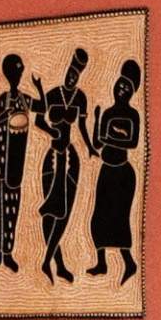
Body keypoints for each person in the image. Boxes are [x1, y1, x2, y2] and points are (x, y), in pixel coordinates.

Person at [36, 46, 91, 282]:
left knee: (65, 211)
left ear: (79, 77)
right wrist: (52, 132)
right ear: (66, 70)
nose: (71, 78)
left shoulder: (80, 98)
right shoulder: (52, 94)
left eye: (75, 76)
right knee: (50, 210)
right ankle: (55, 263)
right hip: (51, 157)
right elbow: (39, 120)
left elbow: (82, 127)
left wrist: (90, 146)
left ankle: (49, 262)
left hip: (70, 159)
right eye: (69, 73)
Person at [86, 59, 143, 281]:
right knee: (98, 216)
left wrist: (108, 136)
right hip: (106, 170)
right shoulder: (108, 113)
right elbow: (97, 143)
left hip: (123, 173)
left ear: (132, 92)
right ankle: (101, 263)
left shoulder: (133, 115)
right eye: (120, 84)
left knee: (120, 218)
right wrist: (97, 120)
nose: (121, 89)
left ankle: (129, 263)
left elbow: (132, 142)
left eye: (126, 87)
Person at [0, 54, 34, 273]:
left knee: (12, 208)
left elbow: (42, 106)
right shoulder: (2, 99)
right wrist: (4, 115)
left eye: (19, 72)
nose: (18, 76)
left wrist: (40, 89)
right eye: (15, 72)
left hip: (15, 165)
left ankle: (8, 253)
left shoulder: (24, 99)